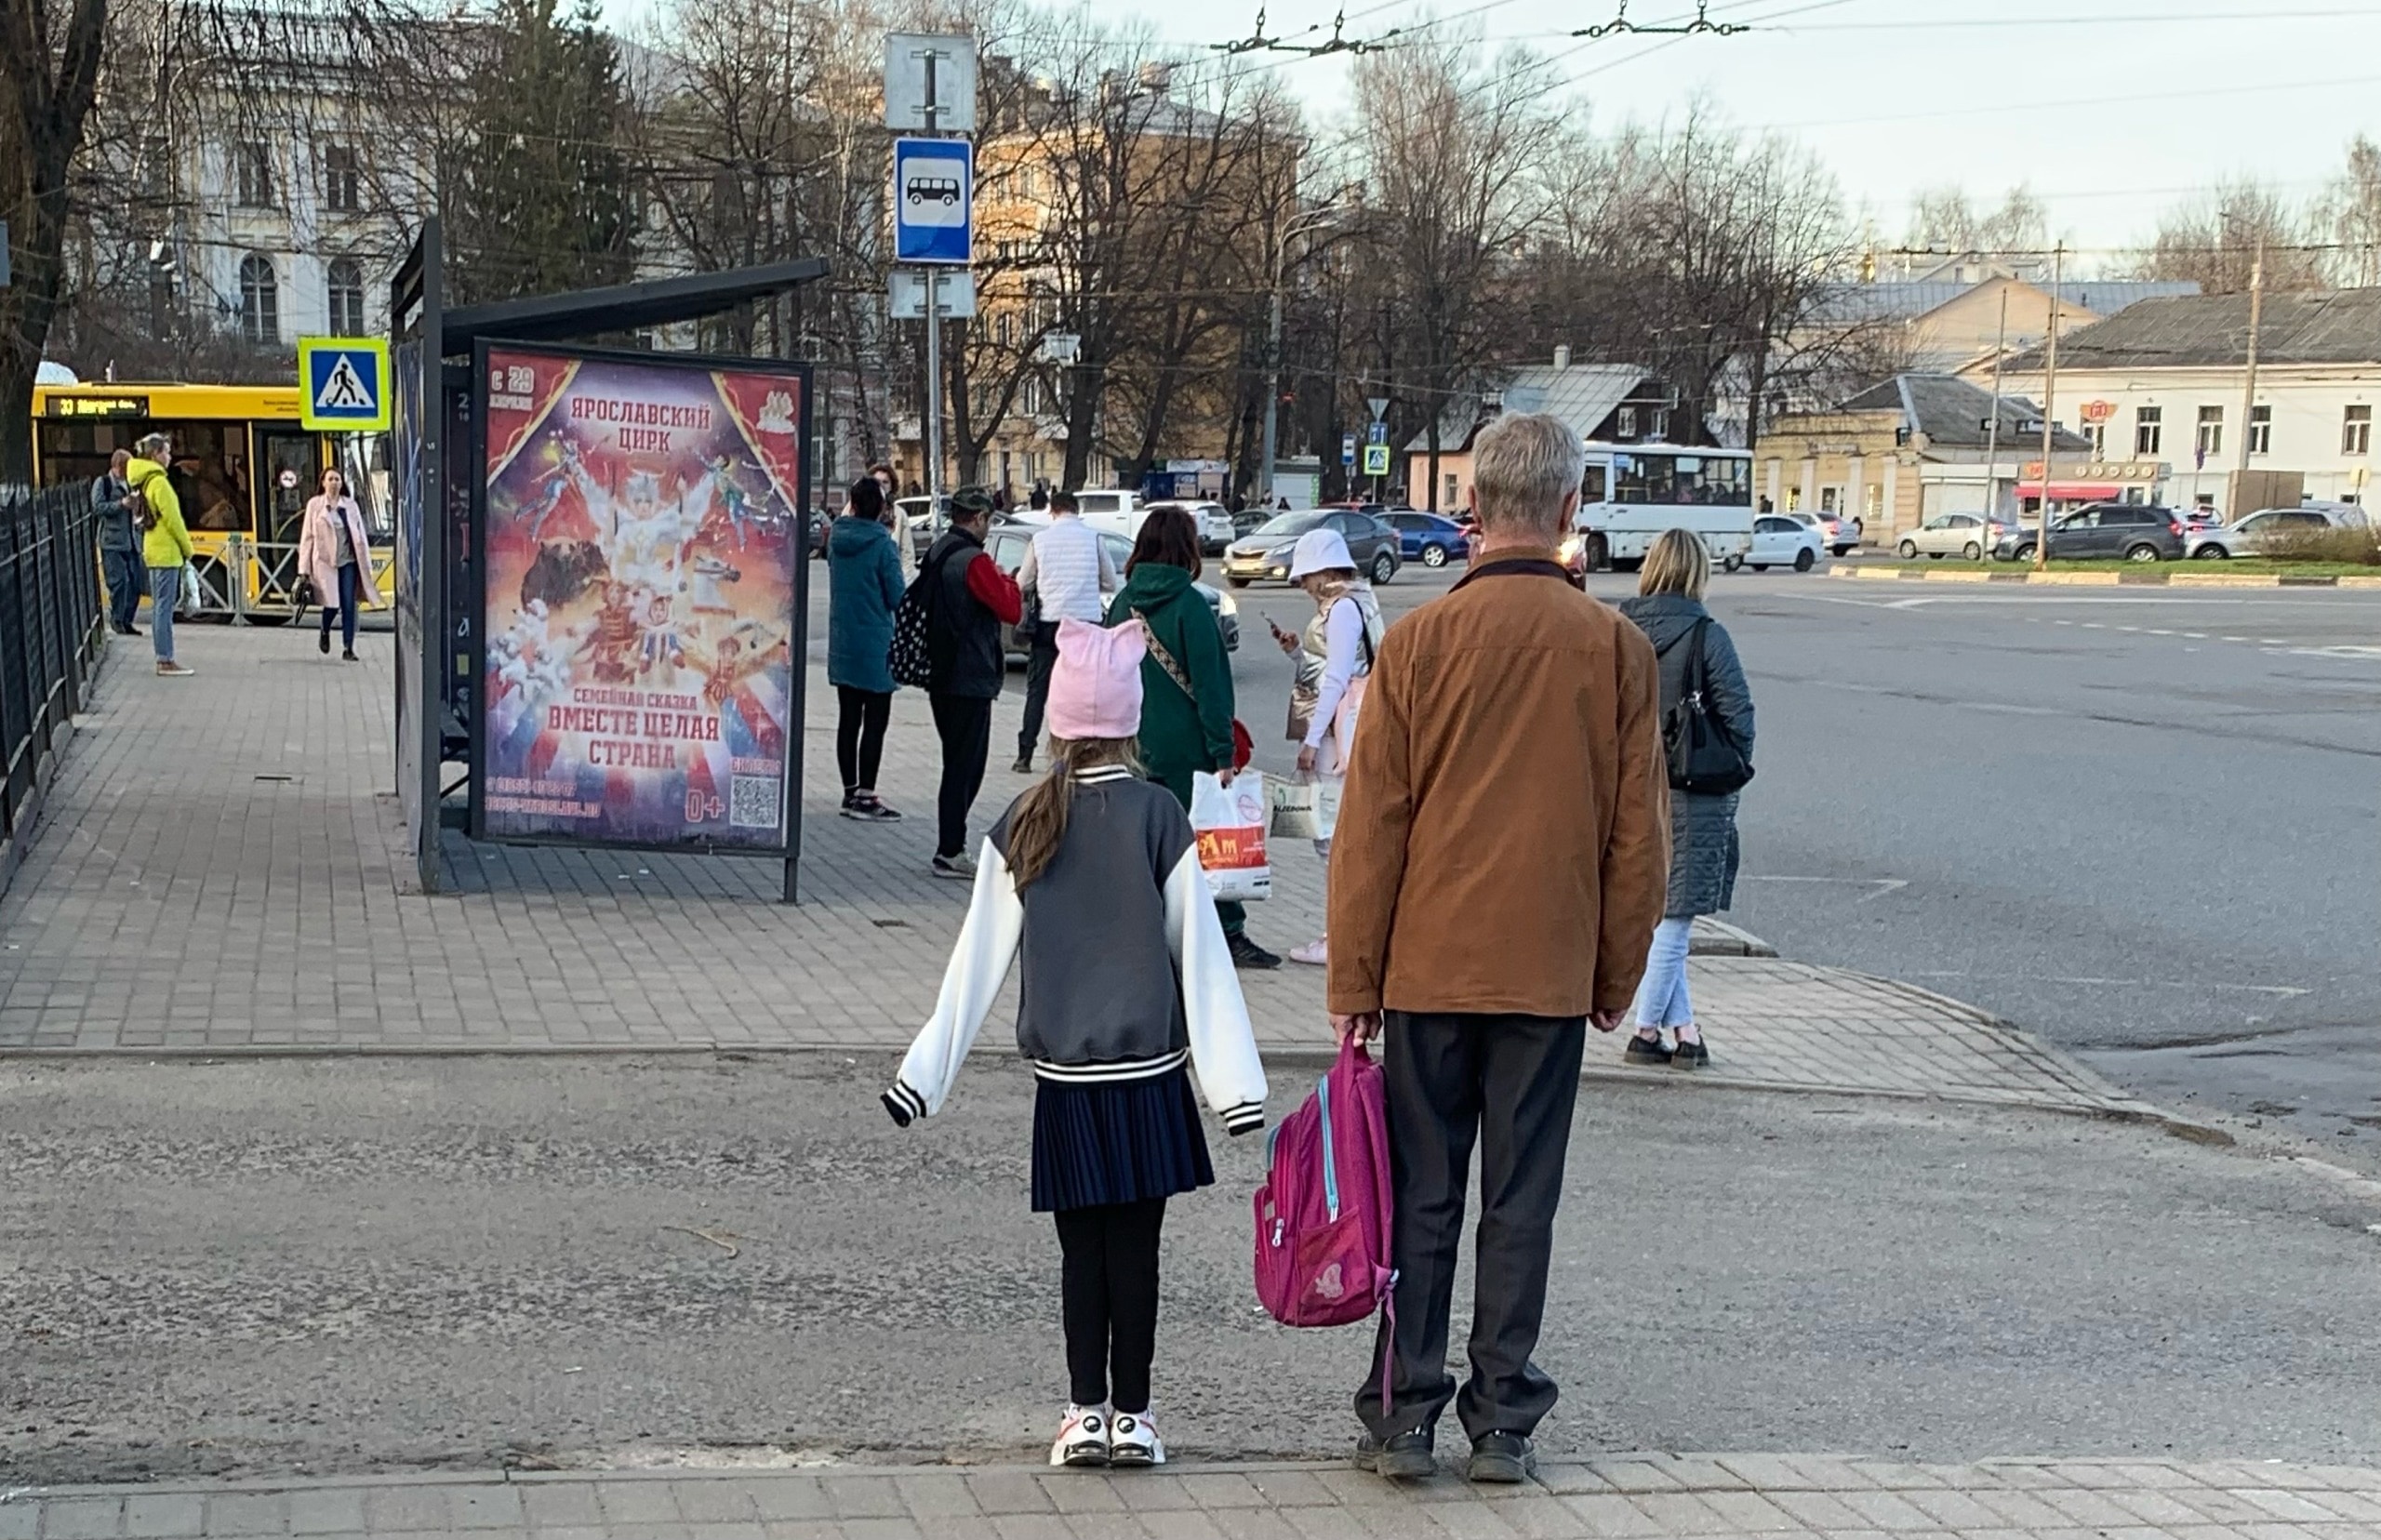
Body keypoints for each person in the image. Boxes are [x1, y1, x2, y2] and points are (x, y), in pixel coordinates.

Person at [1326, 411, 1668, 1484]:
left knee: (1423, 1193)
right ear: (1570, 513)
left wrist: (1355, 980)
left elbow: (1371, 825)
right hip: (1548, 973)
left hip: (1427, 967)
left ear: (1472, 511)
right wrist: (1614, 976)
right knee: (1522, 1199)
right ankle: (1503, 1416)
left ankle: (1407, 1408)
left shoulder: (1419, 644)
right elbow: (1635, 838)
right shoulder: (1615, 648)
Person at [882, 618, 1267, 1469]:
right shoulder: (1158, 815)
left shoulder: (1023, 818)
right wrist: (1235, 1088)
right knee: (1138, 1255)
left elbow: (974, 960)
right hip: (1151, 1080)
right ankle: (1135, 1415)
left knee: (1080, 1257)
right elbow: (1202, 956)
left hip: (1066, 1082)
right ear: (1130, 723)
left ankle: (1082, 1413)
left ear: (1057, 723)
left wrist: (922, 1078)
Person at [1107, 507, 1280, 971]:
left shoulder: (1123, 605)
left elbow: (1109, 678)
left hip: (1134, 747)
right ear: (1187, 548)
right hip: (1190, 751)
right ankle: (1227, 932)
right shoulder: (1191, 608)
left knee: (1146, 844)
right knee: (1210, 842)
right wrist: (1222, 750)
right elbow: (1212, 687)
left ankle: (1147, 930)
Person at [1616, 527, 1755, 1069]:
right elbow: (1739, 717)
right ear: (1698, 573)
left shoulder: (1621, 629)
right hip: (1694, 790)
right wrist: (1730, 765)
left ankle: (1686, 1032)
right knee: (1674, 922)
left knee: (1660, 914)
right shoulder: (1707, 635)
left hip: (1636, 785)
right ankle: (1645, 1031)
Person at [1270, 528, 1385, 968]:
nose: (1301, 585)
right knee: (1338, 834)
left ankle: (1341, 936)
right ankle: (1346, 932)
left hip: (1339, 730)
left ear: (1323, 571)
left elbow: (1336, 679)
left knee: (1330, 836)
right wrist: (1299, 653)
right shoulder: (1360, 601)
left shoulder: (1340, 610)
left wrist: (1312, 738)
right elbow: (1336, 667)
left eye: (1305, 577)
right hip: (1349, 723)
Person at [921, 485, 1022, 880]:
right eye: (989, 521)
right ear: (978, 519)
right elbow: (1010, 609)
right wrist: (1009, 581)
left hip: (940, 670)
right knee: (966, 766)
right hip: (969, 674)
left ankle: (951, 842)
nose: (988, 527)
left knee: (954, 760)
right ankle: (951, 849)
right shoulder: (975, 562)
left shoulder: (939, 550)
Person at [1014, 487, 1119, 774]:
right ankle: (1081, 752)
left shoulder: (1040, 540)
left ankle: (1024, 754)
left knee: (1038, 689)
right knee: (1085, 690)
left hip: (1049, 624)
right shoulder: (1094, 538)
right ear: (1077, 510)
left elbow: (1023, 582)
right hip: (1086, 625)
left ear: (1053, 511)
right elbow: (1110, 582)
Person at [827, 475, 907, 821]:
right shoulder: (883, 545)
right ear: (881, 509)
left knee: (848, 719)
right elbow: (897, 595)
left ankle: (848, 792)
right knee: (875, 721)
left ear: (853, 503)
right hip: (876, 643)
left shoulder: (836, 540)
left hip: (843, 640)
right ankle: (866, 795)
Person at [126, 432, 195, 677]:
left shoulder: (142, 480)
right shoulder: (159, 483)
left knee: (159, 607)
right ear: (155, 455)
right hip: (166, 551)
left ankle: (162, 657)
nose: (170, 456)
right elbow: (174, 520)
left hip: (153, 549)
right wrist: (188, 548)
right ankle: (165, 660)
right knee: (164, 609)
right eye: (166, 451)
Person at [297, 468, 379, 661]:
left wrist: (366, 563)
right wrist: (303, 570)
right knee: (332, 605)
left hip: (348, 562)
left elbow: (361, 537)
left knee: (349, 605)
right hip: (325, 563)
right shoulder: (315, 505)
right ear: (323, 483)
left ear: (342, 483)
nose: (334, 483)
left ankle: (348, 647)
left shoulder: (350, 506)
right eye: (330, 479)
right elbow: (307, 538)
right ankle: (324, 630)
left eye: (337, 479)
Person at [92, 449, 144, 636]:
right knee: (119, 582)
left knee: (136, 584)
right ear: (118, 466)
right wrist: (120, 504)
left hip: (131, 540)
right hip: (112, 541)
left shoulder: (130, 483)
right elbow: (98, 507)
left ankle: (127, 620)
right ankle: (117, 620)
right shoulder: (104, 483)